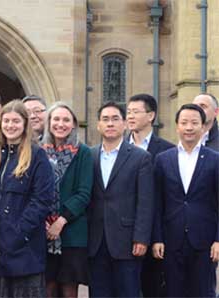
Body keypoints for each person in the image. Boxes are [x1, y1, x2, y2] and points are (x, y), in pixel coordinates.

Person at [0, 99, 54, 298]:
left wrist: (19, 232)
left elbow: (42, 200)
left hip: (23, 249)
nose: (10, 126)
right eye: (6, 121)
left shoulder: (37, 156)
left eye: (16, 121)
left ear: (25, 124)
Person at [152, 104, 219, 297]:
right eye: (184, 123)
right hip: (171, 240)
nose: (189, 127)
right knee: (173, 292)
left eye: (194, 123)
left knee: (204, 292)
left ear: (203, 127)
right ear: (177, 126)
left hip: (204, 241)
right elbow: (157, 203)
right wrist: (157, 238)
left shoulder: (215, 160)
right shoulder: (163, 159)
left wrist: (218, 239)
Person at [88, 101, 154, 298]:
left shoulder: (141, 157)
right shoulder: (88, 155)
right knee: (98, 293)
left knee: (128, 292)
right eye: (105, 119)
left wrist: (141, 237)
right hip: (96, 240)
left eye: (115, 119)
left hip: (127, 241)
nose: (110, 124)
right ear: (98, 125)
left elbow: (146, 201)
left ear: (125, 124)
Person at [40, 102, 93, 298]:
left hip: (72, 232)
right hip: (43, 231)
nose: (60, 124)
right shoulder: (38, 150)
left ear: (73, 125)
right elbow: (35, 191)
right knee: (48, 288)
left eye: (66, 120)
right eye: (56, 119)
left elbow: (84, 193)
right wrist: (45, 221)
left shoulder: (83, 152)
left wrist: (60, 221)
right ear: (49, 122)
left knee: (69, 290)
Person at [125, 93, 173, 297]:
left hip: (154, 235)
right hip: (122, 234)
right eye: (128, 112)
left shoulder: (167, 151)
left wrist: (157, 236)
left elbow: (166, 197)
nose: (130, 116)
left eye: (136, 112)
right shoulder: (115, 148)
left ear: (151, 115)